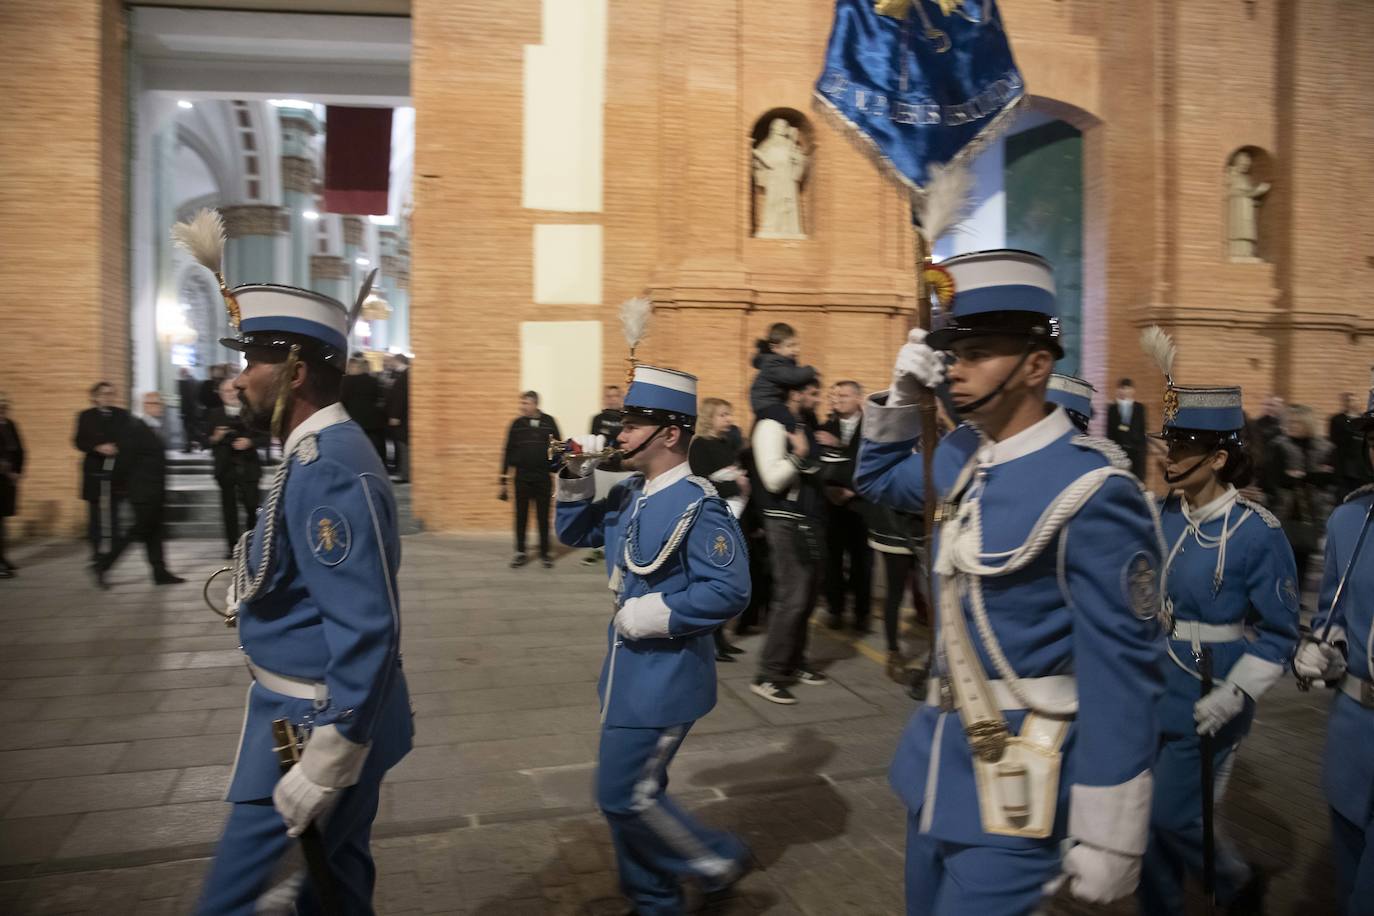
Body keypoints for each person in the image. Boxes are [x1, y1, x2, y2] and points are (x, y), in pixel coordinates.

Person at [854, 249, 1165, 913]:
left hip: (1023, 785)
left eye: (980, 352)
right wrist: (900, 401)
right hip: (936, 767)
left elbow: (1120, 674)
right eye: (952, 354)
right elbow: (877, 482)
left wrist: (1111, 834)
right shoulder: (965, 455)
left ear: (1035, 363)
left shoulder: (1092, 488)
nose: (956, 370)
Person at [195, 278, 412, 914]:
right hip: (306, 714)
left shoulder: (328, 467)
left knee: (240, 903)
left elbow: (367, 624)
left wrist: (329, 757)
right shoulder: (314, 455)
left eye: (252, 360)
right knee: (334, 892)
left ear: (292, 372)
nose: (239, 378)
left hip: (310, 730)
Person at [555, 364, 752, 915]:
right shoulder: (630, 493)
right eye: (622, 421)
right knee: (635, 796)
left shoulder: (698, 503)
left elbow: (730, 589)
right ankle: (653, 899)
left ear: (669, 434)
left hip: (665, 677)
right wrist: (573, 473)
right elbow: (571, 533)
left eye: (634, 422)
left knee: (624, 796)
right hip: (625, 674)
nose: (619, 433)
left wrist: (655, 614)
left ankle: (716, 860)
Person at [1137, 370, 1299, 914]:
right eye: (1170, 444)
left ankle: (1233, 882)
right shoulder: (1163, 515)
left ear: (1219, 458)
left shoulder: (1257, 531)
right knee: (1148, 817)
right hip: (1157, 681)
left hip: (1212, 685)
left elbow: (1280, 633)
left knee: (1172, 814)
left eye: (1184, 447)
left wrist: (1237, 693)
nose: (1171, 456)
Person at [1294, 377, 1374, 914]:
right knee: (1348, 889)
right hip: (1355, 737)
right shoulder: (1350, 520)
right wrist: (1325, 651)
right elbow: (1333, 616)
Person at [750, 376, 829, 705]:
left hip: (806, 521)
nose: (818, 399)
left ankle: (794, 662)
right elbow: (772, 478)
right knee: (792, 597)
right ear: (794, 393)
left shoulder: (800, 423)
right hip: (784, 522)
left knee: (807, 597)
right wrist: (799, 456)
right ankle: (769, 674)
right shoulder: (771, 424)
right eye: (812, 393)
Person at [92, 392, 185, 587]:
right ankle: (103, 563)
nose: (157, 406)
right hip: (142, 492)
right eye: (152, 403)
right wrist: (122, 487)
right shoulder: (135, 428)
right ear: (143, 405)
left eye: (159, 403)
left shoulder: (155, 428)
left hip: (155, 490)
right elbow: (124, 461)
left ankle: (160, 572)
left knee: (154, 532)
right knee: (138, 531)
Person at [689, 397, 750, 661]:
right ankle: (711, 640)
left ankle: (721, 638)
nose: (729, 419)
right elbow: (701, 484)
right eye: (723, 414)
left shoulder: (727, 443)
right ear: (710, 417)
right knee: (714, 581)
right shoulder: (700, 445)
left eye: (729, 414)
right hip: (713, 521)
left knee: (727, 582)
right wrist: (736, 486)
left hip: (733, 517)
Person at [818, 380, 872, 633]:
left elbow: (871, 463)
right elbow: (817, 464)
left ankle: (862, 614)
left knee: (862, 563)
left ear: (858, 398)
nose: (837, 399)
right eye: (834, 395)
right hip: (832, 505)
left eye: (844, 395)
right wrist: (828, 490)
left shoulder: (872, 429)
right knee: (833, 561)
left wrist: (853, 490)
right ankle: (835, 609)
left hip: (863, 505)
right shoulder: (825, 427)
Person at [1266, 404, 1332, 595]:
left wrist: (1301, 476)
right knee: (1282, 561)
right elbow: (1275, 478)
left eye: (1297, 421)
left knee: (1303, 563)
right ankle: (1278, 601)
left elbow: (1329, 478)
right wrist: (1310, 476)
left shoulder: (1322, 446)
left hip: (1312, 514)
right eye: (1290, 421)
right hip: (1285, 512)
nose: (1292, 425)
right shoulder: (1279, 445)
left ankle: (1295, 602)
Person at [205, 377, 265, 559]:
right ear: (221, 395)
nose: (230, 394)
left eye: (233, 390)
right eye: (226, 392)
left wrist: (249, 442)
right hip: (226, 469)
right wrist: (215, 437)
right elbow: (203, 439)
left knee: (251, 507)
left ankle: (254, 545)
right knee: (228, 510)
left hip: (248, 467)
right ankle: (231, 547)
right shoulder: (213, 414)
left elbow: (266, 437)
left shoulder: (252, 412)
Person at [500, 391, 561, 568]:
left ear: (535, 404)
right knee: (521, 517)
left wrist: (558, 473)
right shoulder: (516, 424)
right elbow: (508, 450)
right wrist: (503, 478)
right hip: (522, 479)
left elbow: (558, 448)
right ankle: (520, 552)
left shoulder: (549, 422)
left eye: (526, 404)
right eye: (522, 404)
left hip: (543, 478)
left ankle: (545, 554)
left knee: (543, 518)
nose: (522, 407)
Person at [73, 381, 129, 562]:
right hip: (94, 468)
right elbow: (79, 441)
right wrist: (97, 447)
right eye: (104, 394)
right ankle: (96, 549)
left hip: (115, 469)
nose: (108, 397)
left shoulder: (122, 415)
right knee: (94, 513)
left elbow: (130, 437)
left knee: (114, 512)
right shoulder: (85, 416)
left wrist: (117, 447)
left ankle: (114, 550)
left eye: (111, 394)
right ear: (95, 397)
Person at [582, 385, 628, 568]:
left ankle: (621, 549)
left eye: (615, 396)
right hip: (602, 470)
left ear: (622, 398)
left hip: (624, 471)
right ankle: (596, 548)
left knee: (624, 511)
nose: (612, 399)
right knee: (599, 510)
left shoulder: (627, 418)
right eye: (608, 396)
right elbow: (594, 442)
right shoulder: (597, 419)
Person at [748, 322, 817, 415]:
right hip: (766, 405)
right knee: (788, 420)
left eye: (797, 345)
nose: (796, 349)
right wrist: (811, 370)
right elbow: (793, 377)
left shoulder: (784, 363)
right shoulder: (773, 364)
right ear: (775, 348)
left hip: (771, 404)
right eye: (790, 346)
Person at [340, 356, 387, 461]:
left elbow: (343, 400)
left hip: (354, 418)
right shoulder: (373, 380)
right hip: (373, 420)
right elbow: (379, 397)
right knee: (375, 445)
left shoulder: (346, 381)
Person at [1329, 391, 1370, 504]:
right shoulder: (1337, 419)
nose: (1352, 402)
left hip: (1361, 460)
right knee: (1344, 492)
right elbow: (1334, 438)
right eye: (1349, 400)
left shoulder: (1365, 418)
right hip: (1345, 460)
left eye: (1354, 400)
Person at [1106, 377, 1148, 479]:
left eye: (1127, 388)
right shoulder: (1112, 409)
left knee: (1137, 479)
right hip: (1118, 450)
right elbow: (1109, 431)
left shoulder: (1139, 408)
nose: (1125, 391)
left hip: (1136, 451)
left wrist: (1142, 450)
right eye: (1122, 388)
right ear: (1118, 390)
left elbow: (1143, 429)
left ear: (1132, 390)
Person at [0, 393, 23, 578]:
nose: (3, 406)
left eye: (5, 402)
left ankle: (3, 558)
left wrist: (17, 471)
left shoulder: (10, 425)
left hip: (8, 482)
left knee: (3, 523)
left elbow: (21, 450)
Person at [386, 354, 410, 481]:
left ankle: (405, 473)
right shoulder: (403, 374)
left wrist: (394, 415)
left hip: (402, 417)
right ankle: (404, 471)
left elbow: (399, 398)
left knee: (403, 444)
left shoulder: (404, 375)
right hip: (404, 416)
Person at [177, 367, 201, 452]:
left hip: (188, 411)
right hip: (195, 411)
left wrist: (183, 412)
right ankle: (194, 445)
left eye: (180, 372)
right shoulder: (196, 381)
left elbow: (185, 399)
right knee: (192, 429)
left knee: (188, 430)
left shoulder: (185, 382)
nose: (179, 374)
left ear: (183, 372)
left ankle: (189, 447)